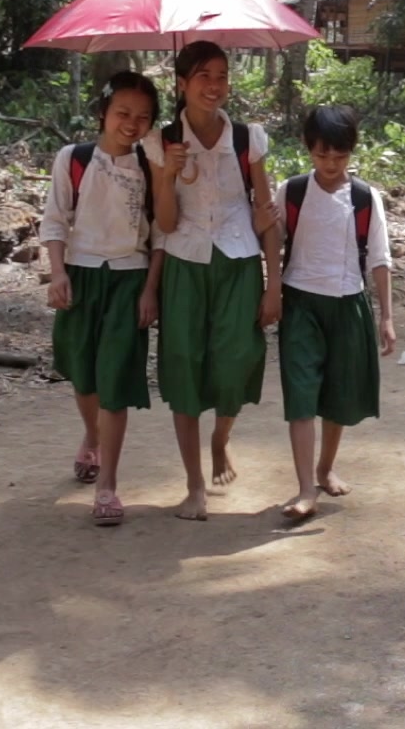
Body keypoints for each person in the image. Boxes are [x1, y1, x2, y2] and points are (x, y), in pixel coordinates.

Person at [144, 41, 282, 521]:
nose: (214, 85)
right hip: (184, 263)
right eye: (203, 76)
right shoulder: (161, 142)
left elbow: (266, 217)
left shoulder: (248, 140)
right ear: (181, 83)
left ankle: (221, 438)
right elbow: (162, 223)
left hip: (239, 260)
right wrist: (168, 175)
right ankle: (194, 486)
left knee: (237, 359)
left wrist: (273, 284)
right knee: (184, 366)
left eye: (222, 76)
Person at [40, 72, 164, 527]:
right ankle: (90, 435)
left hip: (130, 281)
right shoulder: (73, 160)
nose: (131, 124)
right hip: (81, 276)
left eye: (143, 117)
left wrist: (151, 290)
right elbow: (55, 221)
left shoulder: (151, 167)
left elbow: (161, 236)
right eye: (123, 114)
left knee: (115, 381)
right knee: (85, 373)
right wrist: (57, 274)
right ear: (103, 113)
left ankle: (108, 484)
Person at [275, 104, 396, 521]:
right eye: (322, 154)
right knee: (302, 395)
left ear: (352, 152)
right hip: (300, 304)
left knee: (338, 395)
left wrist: (386, 316)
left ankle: (325, 468)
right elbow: (271, 244)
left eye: (340, 156)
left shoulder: (364, 198)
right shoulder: (290, 191)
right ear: (308, 148)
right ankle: (306, 488)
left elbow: (379, 258)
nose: (330, 164)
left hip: (349, 303)